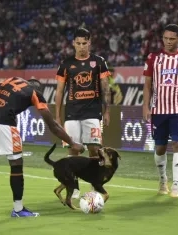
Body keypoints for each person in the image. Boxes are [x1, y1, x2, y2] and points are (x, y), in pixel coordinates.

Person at [0, 77, 85, 217]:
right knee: (16, 162)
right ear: (38, 88)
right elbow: (53, 125)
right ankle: (18, 209)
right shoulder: (34, 92)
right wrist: (72, 143)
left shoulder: (7, 82)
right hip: (3, 120)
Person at [54, 27, 111, 199]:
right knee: (74, 151)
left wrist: (107, 111)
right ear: (73, 43)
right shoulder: (66, 64)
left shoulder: (99, 62)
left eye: (84, 43)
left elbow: (106, 88)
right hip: (72, 113)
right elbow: (59, 91)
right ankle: (75, 188)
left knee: (94, 150)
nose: (81, 47)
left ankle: (95, 186)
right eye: (78, 43)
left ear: (89, 43)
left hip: (93, 113)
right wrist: (57, 115)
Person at [142, 24, 178, 198]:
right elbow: (147, 84)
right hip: (158, 109)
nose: (168, 42)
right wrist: (145, 106)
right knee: (160, 147)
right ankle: (163, 179)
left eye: (172, 39)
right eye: (165, 38)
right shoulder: (153, 58)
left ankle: (176, 186)